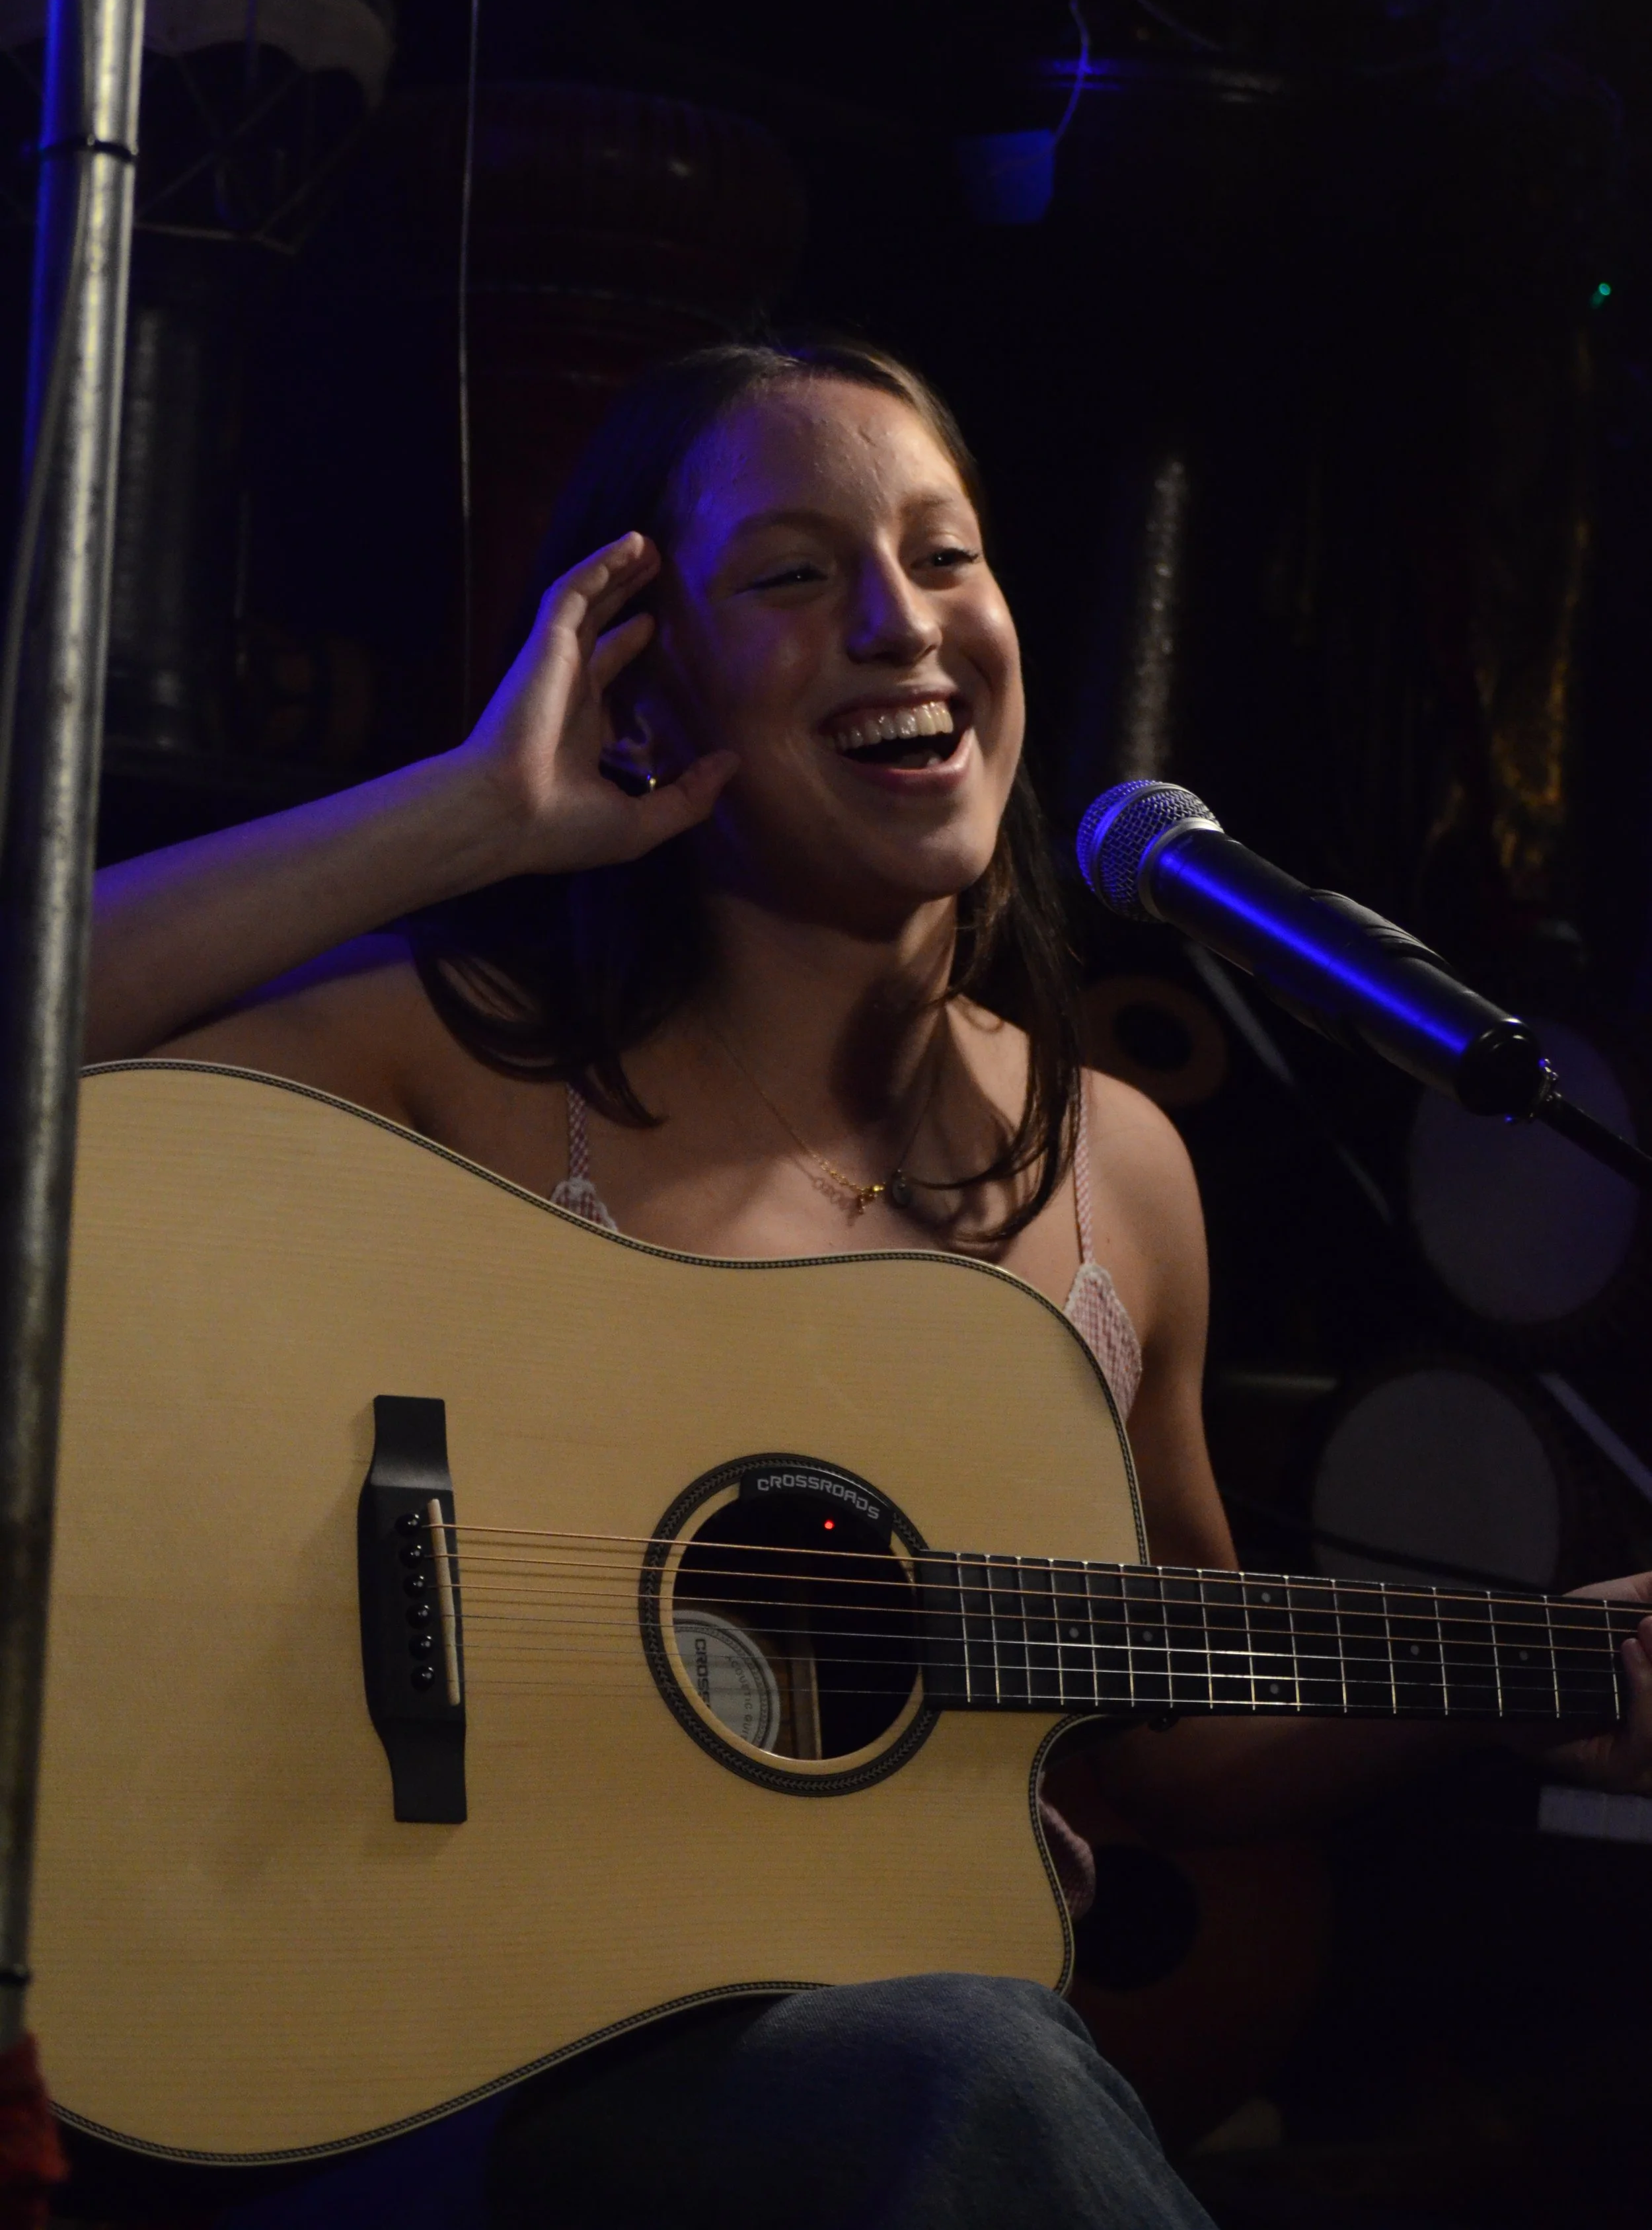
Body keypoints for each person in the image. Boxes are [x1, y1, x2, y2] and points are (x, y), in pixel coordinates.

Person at [88, 338, 1652, 2230]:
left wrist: (1539, 1673)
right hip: (396, 2038)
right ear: (643, 674)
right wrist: (471, 811)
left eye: (944, 555)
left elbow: (1166, 1704)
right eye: (792, 572)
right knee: (971, 2067)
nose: (899, 623)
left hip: (814, 2086)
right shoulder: (471, 1062)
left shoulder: (1118, 1172)